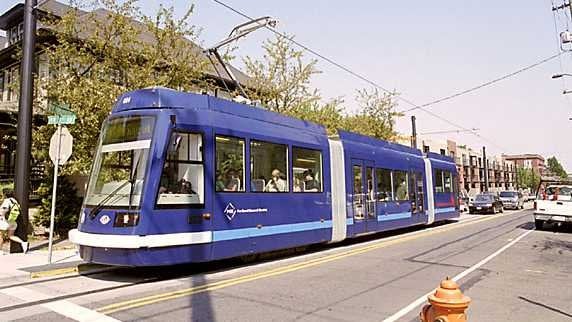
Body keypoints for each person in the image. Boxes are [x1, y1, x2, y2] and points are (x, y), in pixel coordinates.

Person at [0, 189, 28, 255]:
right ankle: (23, 243)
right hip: (13, 221)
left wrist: (1, 213)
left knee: (1, 236)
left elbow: (5, 209)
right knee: (11, 236)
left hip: (5, 222)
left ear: (5, 194)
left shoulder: (7, 201)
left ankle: (0, 250)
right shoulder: (14, 200)